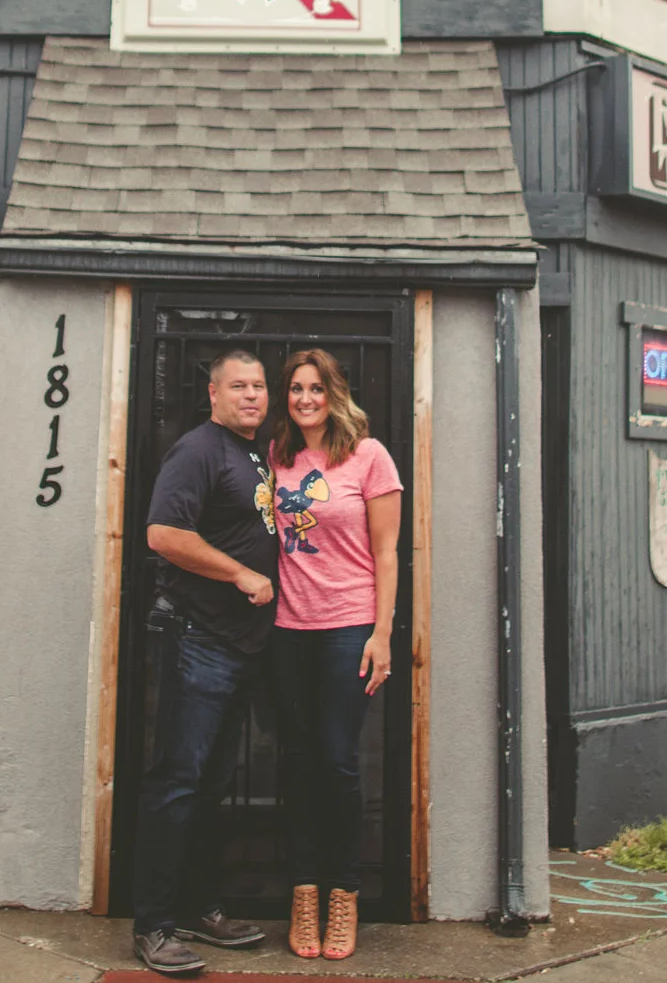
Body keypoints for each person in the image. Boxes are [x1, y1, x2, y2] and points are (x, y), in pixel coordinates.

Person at [133, 349, 281, 978]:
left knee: (211, 784)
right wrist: (241, 571)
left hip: (239, 644)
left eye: (258, 386)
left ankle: (198, 908)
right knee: (178, 782)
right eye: (238, 386)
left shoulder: (254, 453)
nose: (252, 395)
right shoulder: (198, 449)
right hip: (199, 637)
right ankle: (153, 925)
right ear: (214, 394)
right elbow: (164, 534)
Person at [266, 348, 401, 962]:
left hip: (349, 625)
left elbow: (389, 553)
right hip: (288, 628)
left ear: (334, 393)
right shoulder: (278, 456)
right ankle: (304, 894)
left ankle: (344, 894)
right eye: (295, 388)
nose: (304, 398)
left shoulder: (368, 457)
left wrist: (383, 634)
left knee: (338, 762)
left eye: (315, 388)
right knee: (296, 763)